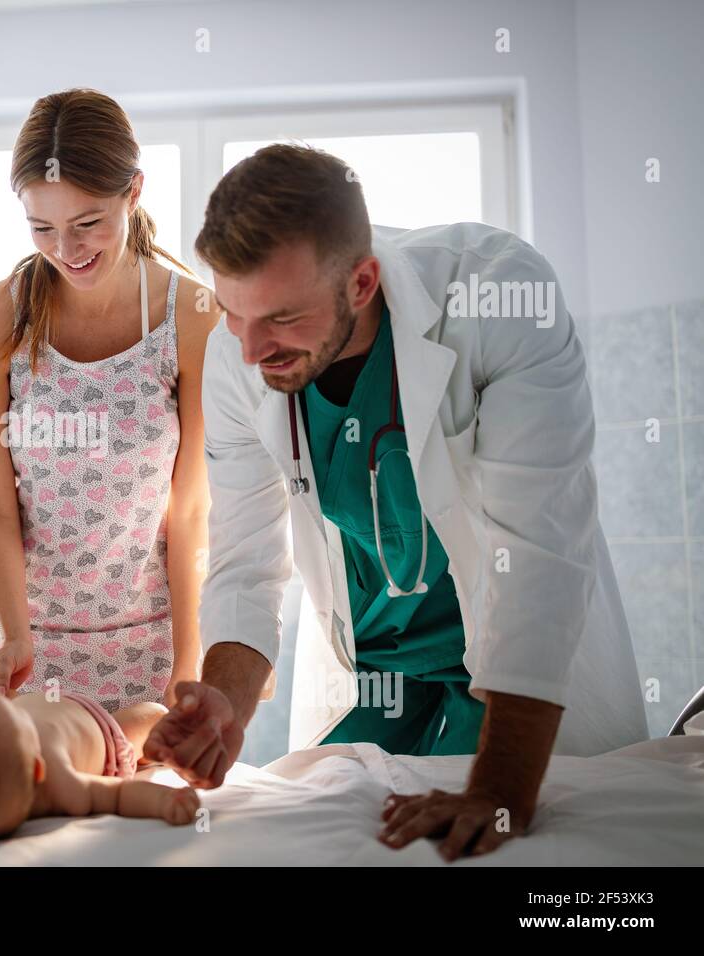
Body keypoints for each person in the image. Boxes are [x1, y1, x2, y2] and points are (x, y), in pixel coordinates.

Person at [145, 143, 647, 861]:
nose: (251, 351)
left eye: (282, 319)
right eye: (232, 314)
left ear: (361, 282)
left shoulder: (497, 293)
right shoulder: (239, 354)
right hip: (382, 681)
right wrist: (224, 700)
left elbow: (536, 553)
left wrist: (501, 792)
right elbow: (247, 560)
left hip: (509, 677)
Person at [0, 88, 216, 713]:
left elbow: (189, 509)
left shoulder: (195, 316)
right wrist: (17, 637)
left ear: (134, 191)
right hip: (26, 647)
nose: (67, 252)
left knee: (145, 804)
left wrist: (189, 660)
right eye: (42, 228)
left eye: (87, 223)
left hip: (152, 644)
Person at [0, 687, 199, 841]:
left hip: (56, 707)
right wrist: (164, 801)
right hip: (103, 732)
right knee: (153, 718)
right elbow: (116, 795)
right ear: (38, 769)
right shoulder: (62, 785)